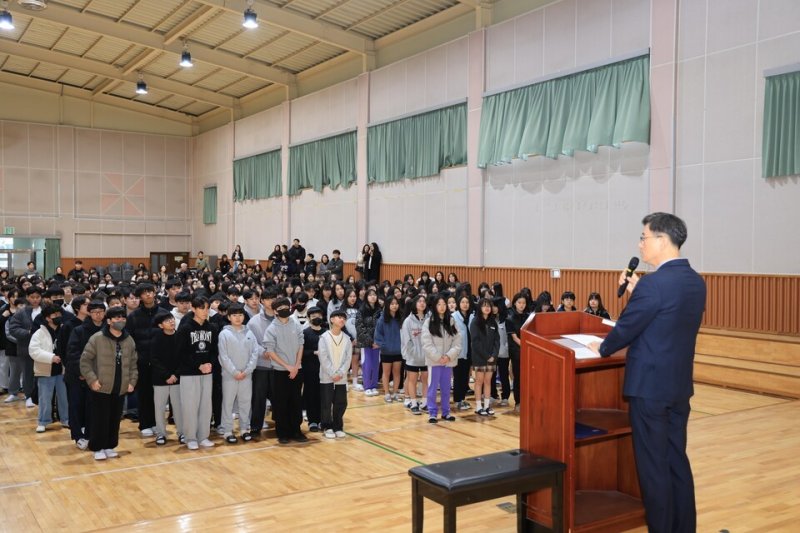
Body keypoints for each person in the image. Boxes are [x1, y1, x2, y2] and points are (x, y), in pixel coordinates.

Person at [588, 212, 706, 533]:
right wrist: (638, 291)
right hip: (678, 388)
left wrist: (598, 347)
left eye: (644, 237)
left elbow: (625, 329)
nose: (640, 243)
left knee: (653, 470)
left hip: (649, 391)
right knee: (676, 463)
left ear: (662, 241)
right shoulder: (695, 281)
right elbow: (663, 320)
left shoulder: (654, 286)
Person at [80, 306, 138, 461]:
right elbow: (85, 361)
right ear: (109, 321)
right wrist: (92, 379)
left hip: (120, 386)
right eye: (117, 318)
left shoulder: (129, 339)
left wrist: (132, 381)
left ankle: (109, 445)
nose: (121, 321)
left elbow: (133, 363)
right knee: (100, 419)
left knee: (114, 419)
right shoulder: (97, 338)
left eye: (123, 318)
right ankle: (97, 447)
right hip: (101, 386)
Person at [177, 296, 219, 451]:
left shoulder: (212, 328)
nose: (205, 311)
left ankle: (203, 436)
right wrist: (198, 365)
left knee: (206, 406)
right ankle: (190, 437)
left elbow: (215, 351)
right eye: (202, 308)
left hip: (207, 373)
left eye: (207, 308)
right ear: (193, 309)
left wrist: (210, 364)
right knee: (190, 406)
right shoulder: (185, 328)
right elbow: (181, 353)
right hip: (190, 373)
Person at [264, 297, 306, 444]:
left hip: (297, 369)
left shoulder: (296, 325)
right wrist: (287, 366)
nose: (284, 310)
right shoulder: (271, 329)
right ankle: (282, 432)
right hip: (280, 371)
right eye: (280, 308)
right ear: (275, 311)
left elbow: (301, 344)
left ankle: (296, 430)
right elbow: (270, 351)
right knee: (281, 403)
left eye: (286, 307)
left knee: (296, 401)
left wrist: (297, 364)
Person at [217, 304, 259, 444]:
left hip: (247, 375)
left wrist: (247, 371)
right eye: (234, 315)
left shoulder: (249, 333)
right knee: (228, 403)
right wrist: (235, 372)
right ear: (229, 317)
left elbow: (255, 353)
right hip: (230, 376)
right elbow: (223, 356)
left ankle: (244, 429)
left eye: (240, 315)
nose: (238, 318)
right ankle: (227, 430)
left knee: (245, 403)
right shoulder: (224, 334)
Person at [421, 294, 460, 423]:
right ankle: (432, 413)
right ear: (435, 306)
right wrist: (438, 357)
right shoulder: (429, 322)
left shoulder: (451, 321)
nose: (442, 307)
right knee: (432, 387)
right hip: (434, 362)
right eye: (439, 304)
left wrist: (448, 356)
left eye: (444, 304)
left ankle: (446, 412)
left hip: (448, 362)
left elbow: (457, 342)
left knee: (446, 388)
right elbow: (427, 343)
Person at [29, 305, 69, 433]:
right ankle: (43, 421)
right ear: (47, 318)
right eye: (55, 315)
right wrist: (51, 357)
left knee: (64, 397)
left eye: (59, 314)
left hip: (63, 370)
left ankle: (66, 419)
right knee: (45, 398)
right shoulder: (39, 333)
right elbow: (34, 351)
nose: (58, 317)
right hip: (46, 369)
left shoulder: (64, 330)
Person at [150, 311, 183, 446]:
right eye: (167, 320)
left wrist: (175, 375)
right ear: (160, 325)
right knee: (159, 408)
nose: (171, 321)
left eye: (171, 319)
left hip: (177, 379)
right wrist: (167, 375)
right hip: (160, 379)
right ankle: (161, 434)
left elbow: (183, 358)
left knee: (179, 408)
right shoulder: (156, 339)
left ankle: (182, 433)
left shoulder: (180, 337)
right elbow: (154, 359)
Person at [318, 309, 352, 439]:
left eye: (344, 317)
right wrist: (332, 373)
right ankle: (327, 426)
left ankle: (338, 426)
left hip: (341, 377)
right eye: (339, 317)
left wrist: (341, 373)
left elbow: (348, 358)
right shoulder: (324, 337)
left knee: (341, 402)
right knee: (326, 403)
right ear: (331, 319)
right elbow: (323, 357)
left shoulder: (347, 339)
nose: (342, 319)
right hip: (327, 376)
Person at [469, 297, 500, 417]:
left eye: (489, 305)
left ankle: (487, 406)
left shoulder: (493, 322)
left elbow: (497, 340)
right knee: (479, 381)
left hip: (492, 358)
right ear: (480, 308)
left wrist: (493, 355)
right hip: (479, 357)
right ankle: (478, 406)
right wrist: (487, 356)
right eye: (484, 305)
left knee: (488, 381)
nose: (487, 308)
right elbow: (475, 342)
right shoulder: (475, 322)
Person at [401, 295, 428, 414]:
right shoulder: (408, 321)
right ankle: (413, 403)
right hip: (413, 357)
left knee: (426, 380)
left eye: (424, 301)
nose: (422, 303)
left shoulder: (429, 319)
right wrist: (415, 354)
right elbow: (407, 341)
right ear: (415, 304)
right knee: (412, 380)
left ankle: (425, 402)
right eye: (419, 301)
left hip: (427, 357)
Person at [373, 296, 403, 404]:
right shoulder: (382, 319)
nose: (394, 306)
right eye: (392, 304)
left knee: (397, 373)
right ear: (388, 305)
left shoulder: (400, 318)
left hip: (398, 351)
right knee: (386, 372)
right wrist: (383, 344)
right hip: (386, 351)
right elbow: (378, 334)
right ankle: (386, 393)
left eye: (396, 303)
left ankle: (395, 393)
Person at [301, 306, 325, 432]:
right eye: (313, 316)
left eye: (319, 316)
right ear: (309, 318)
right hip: (310, 369)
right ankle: (312, 421)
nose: (317, 318)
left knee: (323, 396)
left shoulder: (326, 332)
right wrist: (313, 352)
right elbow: (301, 352)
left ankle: (323, 420)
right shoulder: (305, 333)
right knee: (311, 395)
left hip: (324, 370)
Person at [355, 289, 381, 398]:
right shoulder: (361, 310)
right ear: (366, 297)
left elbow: (382, 327)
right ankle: (367, 386)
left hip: (377, 343)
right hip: (366, 343)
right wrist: (370, 342)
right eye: (370, 295)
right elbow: (360, 328)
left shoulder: (380, 310)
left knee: (376, 364)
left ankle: (374, 385)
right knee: (367, 364)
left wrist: (378, 341)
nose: (373, 297)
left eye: (374, 295)